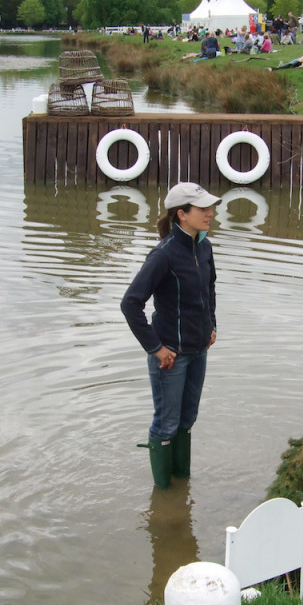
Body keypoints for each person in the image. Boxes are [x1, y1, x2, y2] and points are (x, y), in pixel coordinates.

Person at [121, 182, 220, 489]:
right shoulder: (163, 255)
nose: (210, 213)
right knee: (166, 424)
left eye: (210, 207)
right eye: (202, 209)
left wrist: (212, 325)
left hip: (199, 350)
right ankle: (164, 495)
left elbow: (209, 289)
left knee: (187, 420)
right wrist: (156, 348)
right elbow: (130, 303)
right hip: (171, 358)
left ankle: (182, 485)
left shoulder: (204, 247)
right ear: (182, 214)